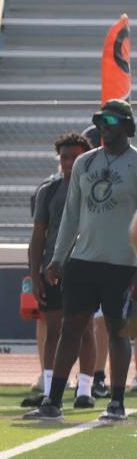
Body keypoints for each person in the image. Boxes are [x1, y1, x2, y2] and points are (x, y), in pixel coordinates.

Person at [37, 98, 137, 422]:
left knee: (118, 332)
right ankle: (53, 400)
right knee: (71, 329)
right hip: (83, 261)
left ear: (126, 125)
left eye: (110, 122)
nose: (103, 128)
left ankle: (116, 401)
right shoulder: (84, 164)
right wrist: (58, 257)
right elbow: (71, 215)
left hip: (124, 264)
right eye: (100, 122)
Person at [23, 132, 93, 408]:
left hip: (86, 265)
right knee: (53, 329)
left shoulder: (95, 189)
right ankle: (51, 390)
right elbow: (38, 235)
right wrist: (34, 272)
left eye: (74, 157)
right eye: (64, 157)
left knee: (84, 329)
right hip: (54, 266)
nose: (68, 162)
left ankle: (85, 389)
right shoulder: (48, 191)